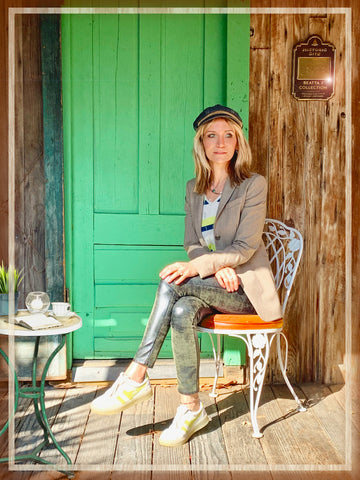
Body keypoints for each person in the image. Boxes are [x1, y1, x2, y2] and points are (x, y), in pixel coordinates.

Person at [90, 104, 282, 447]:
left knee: (171, 281)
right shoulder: (194, 187)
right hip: (214, 284)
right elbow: (192, 242)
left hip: (245, 292)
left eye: (228, 136)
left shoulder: (253, 185)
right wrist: (213, 265)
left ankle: (135, 375)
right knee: (180, 310)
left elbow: (246, 246)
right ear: (202, 144)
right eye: (212, 136)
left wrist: (203, 267)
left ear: (238, 143)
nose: (220, 143)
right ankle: (190, 408)